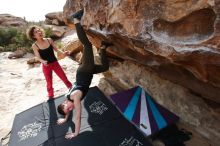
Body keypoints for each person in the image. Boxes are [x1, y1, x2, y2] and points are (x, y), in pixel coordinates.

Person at [57, 9, 112, 139]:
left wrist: (75, 133)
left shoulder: (74, 97)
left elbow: (77, 115)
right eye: (68, 111)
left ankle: (76, 19)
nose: (70, 109)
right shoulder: (67, 99)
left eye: (68, 109)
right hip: (85, 73)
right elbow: (67, 108)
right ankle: (103, 47)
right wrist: (65, 119)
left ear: (65, 104)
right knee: (105, 67)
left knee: (87, 45)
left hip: (85, 71)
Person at [26, 26, 72, 99]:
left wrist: (63, 53)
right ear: (33, 36)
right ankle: (51, 96)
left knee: (64, 77)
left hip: (55, 63)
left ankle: (72, 90)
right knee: (49, 82)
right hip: (46, 66)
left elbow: (57, 50)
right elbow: (38, 57)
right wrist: (43, 61)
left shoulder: (49, 40)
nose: (39, 32)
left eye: (39, 30)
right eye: (36, 32)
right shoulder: (35, 45)